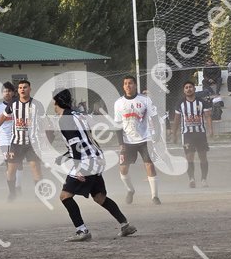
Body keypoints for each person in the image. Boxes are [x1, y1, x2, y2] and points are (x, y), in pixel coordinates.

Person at [51, 88, 136, 242]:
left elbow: (76, 143)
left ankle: (82, 231)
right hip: (96, 157)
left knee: (65, 196)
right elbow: (85, 139)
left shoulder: (65, 119)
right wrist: (65, 156)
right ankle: (125, 225)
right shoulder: (77, 114)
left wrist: (78, 168)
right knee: (99, 197)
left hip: (85, 161)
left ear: (56, 101)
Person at [0, 79, 49, 200]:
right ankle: (12, 193)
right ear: (18, 90)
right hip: (16, 143)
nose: (22, 89)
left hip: (32, 143)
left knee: (36, 169)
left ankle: (39, 195)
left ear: (30, 89)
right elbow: (3, 116)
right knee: (10, 171)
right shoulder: (13, 103)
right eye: (20, 88)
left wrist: (45, 135)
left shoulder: (37, 104)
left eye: (25, 87)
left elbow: (44, 120)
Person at [113, 75, 161, 204]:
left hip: (145, 139)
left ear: (135, 85)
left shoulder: (145, 100)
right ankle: (130, 190)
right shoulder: (119, 103)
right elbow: (117, 124)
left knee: (149, 165)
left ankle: (155, 196)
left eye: (130, 83)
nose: (128, 86)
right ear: (123, 86)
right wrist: (120, 143)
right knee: (123, 169)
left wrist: (157, 134)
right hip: (127, 141)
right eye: (125, 83)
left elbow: (154, 117)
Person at [173, 81, 213, 188]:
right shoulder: (180, 103)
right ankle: (191, 179)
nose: (188, 89)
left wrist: (210, 129)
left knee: (203, 156)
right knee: (189, 157)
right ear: (184, 90)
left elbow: (208, 116)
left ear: (194, 89)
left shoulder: (202, 102)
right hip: (187, 135)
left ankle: (204, 179)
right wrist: (174, 133)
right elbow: (177, 119)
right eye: (186, 87)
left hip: (200, 134)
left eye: (190, 87)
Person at [0, 82, 18, 193]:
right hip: (5, 140)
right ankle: (12, 191)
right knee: (9, 165)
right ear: (2, 93)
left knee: (17, 166)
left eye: (9, 91)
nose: (7, 93)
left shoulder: (18, 105)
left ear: (13, 92)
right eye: (5, 91)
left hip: (17, 139)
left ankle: (17, 186)